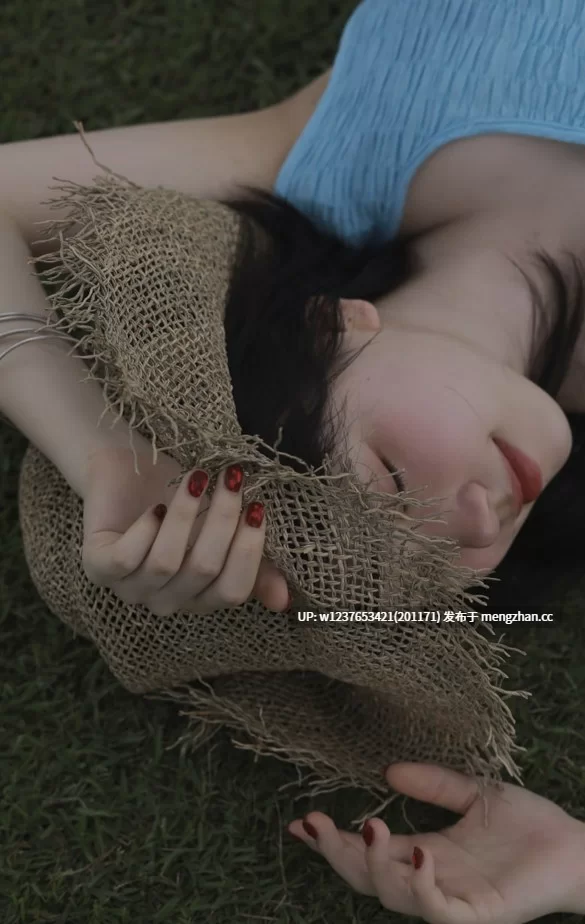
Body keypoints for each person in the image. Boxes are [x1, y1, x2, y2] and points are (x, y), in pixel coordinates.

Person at [1, 0, 585, 918]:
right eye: (440, 568)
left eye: (394, 479)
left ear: (330, 326)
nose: (480, 518)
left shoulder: (338, 146)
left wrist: (102, 451)